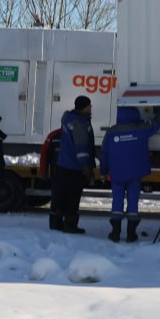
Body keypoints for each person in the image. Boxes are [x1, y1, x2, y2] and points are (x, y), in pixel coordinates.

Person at [100, 106, 160, 243]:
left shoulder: (111, 132)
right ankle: (131, 234)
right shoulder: (141, 129)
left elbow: (104, 154)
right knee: (133, 201)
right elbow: (155, 125)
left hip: (116, 173)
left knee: (117, 200)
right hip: (135, 173)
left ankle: (115, 233)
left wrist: (103, 171)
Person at [53, 95, 96, 234]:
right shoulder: (80, 123)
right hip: (74, 168)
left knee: (61, 196)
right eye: (89, 105)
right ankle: (70, 225)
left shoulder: (68, 118)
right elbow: (81, 147)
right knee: (72, 198)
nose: (91, 107)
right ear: (83, 107)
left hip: (63, 165)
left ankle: (56, 223)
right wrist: (86, 167)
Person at [39, 125, 63, 230]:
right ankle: (55, 223)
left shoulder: (54, 135)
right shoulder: (54, 135)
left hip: (59, 173)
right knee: (57, 199)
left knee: (60, 199)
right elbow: (44, 154)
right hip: (58, 173)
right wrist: (43, 171)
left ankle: (58, 223)